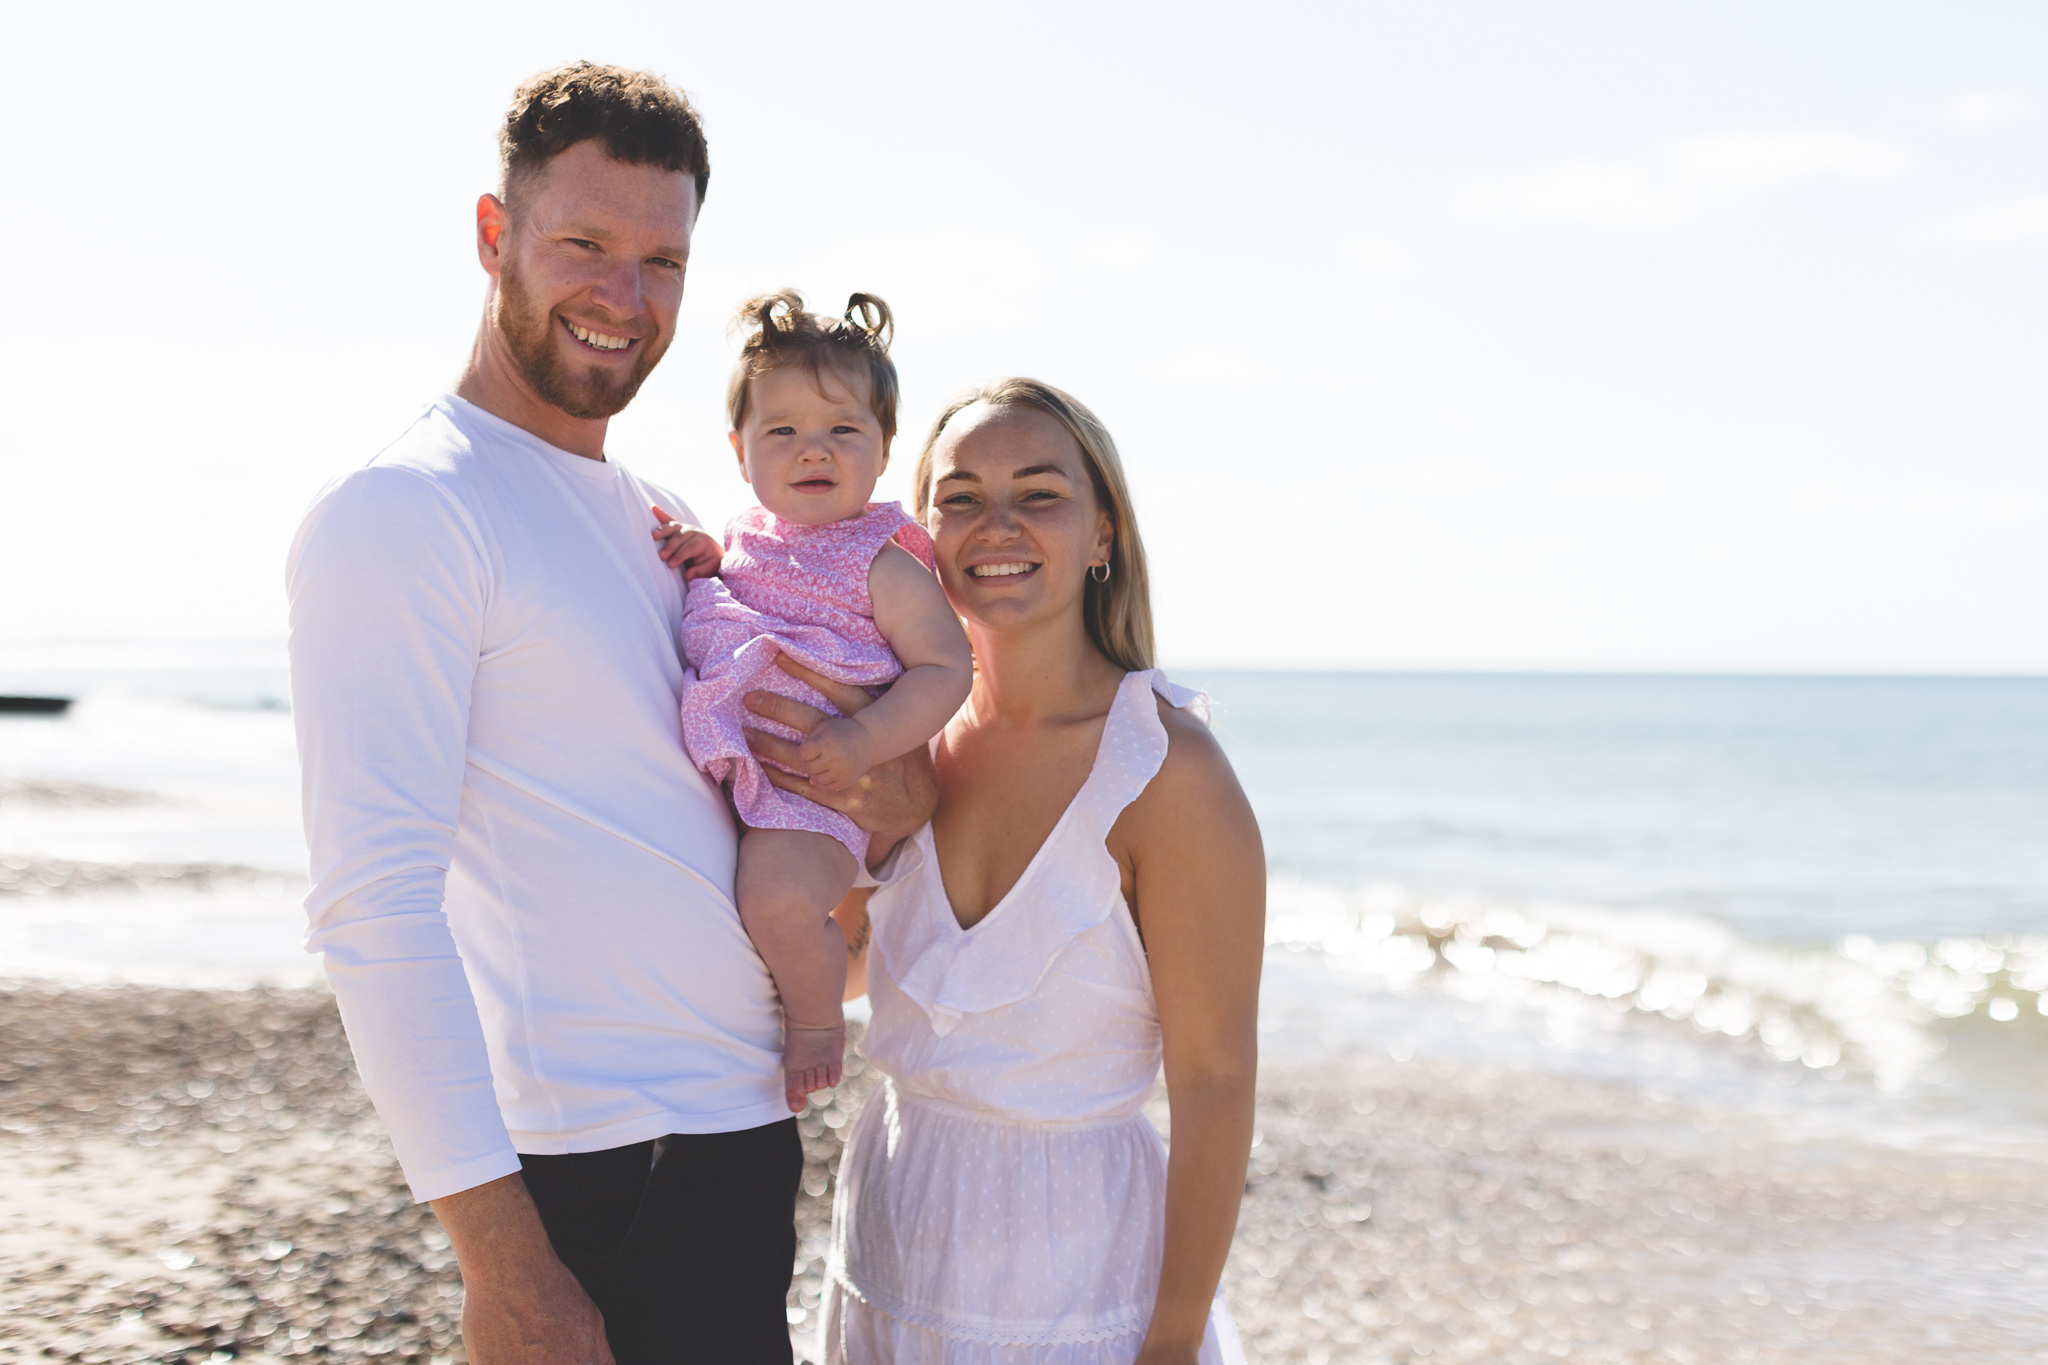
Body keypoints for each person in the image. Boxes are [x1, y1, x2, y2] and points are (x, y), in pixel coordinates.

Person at [286, 64, 934, 1365]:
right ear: (494, 235)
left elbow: (740, 799)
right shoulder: (410, 513)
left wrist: (896, 792)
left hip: (741, 1147)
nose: (624, 298)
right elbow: (374, 906)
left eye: (662, 260)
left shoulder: (662, 522)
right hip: (602, 1172)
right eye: (585, 243)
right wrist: (505, 1265)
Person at [755, 379, 1265, 1363]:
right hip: (891, 1241)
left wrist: (1168, 1341)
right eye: (959, 498)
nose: (997, 526)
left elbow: (1213, 1080)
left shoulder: (1165, 772)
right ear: (917, 533)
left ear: (1102, 536)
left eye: (1039, 494)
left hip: (1078, 1290)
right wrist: (884, 836)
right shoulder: (901, 742)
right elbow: (854, 971)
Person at [660, 289, 972, 1113]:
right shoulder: (742, 537)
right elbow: (729, 593)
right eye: (783, 430)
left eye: (842, 430)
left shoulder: (882, 558)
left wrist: (866, 739)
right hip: (749, 777)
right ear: (739, 449)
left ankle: (815, 1023)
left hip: (814, 791)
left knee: (778, 899)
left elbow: (947, 669)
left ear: (883, 448)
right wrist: (702, 559)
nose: (813, 450)